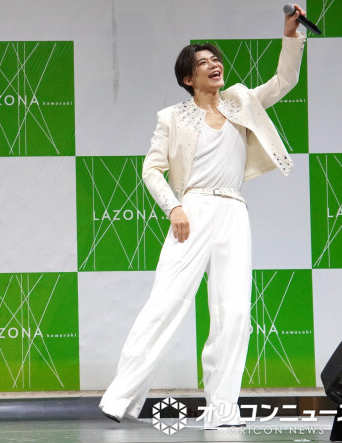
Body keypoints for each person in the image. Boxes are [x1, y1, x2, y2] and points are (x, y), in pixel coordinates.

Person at [99, 6, 307, 429]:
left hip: (233, 210)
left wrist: (291, 35)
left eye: (216, 59)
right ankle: (119, 397)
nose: (214, 65)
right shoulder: (173, 117)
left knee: (234, 312)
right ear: (187, 79)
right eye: (203, 62)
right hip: (191, 210)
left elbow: (284, 81)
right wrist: (173, 207)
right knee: (166, 302)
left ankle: (223, 410)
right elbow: (151, 169)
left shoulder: (241, 102)